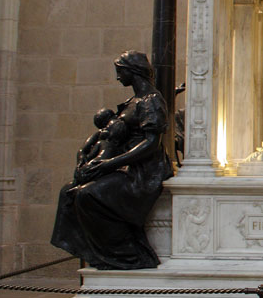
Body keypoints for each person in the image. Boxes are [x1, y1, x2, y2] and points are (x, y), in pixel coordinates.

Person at [51, 51, 173, 270]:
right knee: (69, 192)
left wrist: (109, 163)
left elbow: (151, 144)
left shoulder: (150, 101)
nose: (118, 78)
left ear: (133, 71)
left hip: (144, 172)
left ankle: (126, 254)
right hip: (124, 166)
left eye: (120, 72)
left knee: (89, 195)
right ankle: (100, 252)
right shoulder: (131, 102)